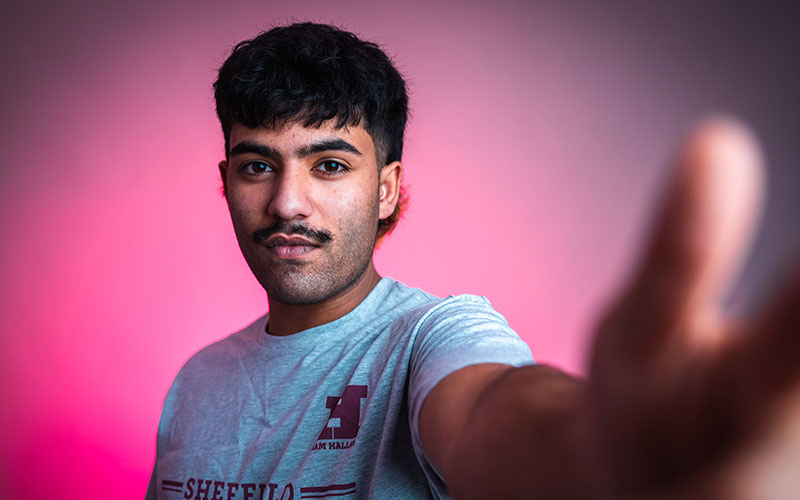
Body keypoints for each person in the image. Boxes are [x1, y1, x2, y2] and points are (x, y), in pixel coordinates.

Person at [147, 22, 800, 500]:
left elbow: (493, 407)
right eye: (259, 166)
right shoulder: (195, 383)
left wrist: (595, 450)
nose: (288, 203)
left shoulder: (435, 337)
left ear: (385, 189)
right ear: (226, 179)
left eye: (330, 166)